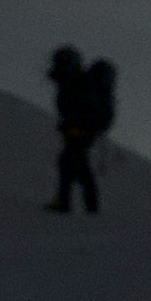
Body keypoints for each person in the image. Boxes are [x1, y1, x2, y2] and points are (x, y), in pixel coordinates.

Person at [44, 45, 117, 214]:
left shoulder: (78, 84)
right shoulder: (78, 82)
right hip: (80, 130)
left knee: (71, 163)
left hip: (79, 130)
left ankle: (69, 203)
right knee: (73, 164)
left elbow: (77, 106)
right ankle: (79, 204)